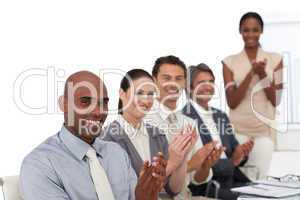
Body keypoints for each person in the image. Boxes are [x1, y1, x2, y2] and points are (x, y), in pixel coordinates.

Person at [20, 71, 166, 200]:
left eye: (104, 103)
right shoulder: (39, 165)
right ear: (63, 104)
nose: (98, 112)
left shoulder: (117, 154)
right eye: (85, 102)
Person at [103, 69, 197, 199]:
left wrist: (183, 155)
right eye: (139, 93)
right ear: (122, 94)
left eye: (151, 94)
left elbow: (172, 189)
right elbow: (126, 194)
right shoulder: (108, 140)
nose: (146, 101)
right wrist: (172, 164)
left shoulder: (157, 134)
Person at [145, 55, 223, 199]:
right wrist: (192, 163)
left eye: (178, 78)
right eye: (166, 78)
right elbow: (148, 178)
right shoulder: (144, 119)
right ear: (154, 80)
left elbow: (197, 179)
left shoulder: (188, 123)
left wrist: (205, 164)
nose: (173, 84)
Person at [222, 12, 283, 179]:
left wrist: (262, 74)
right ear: (240, 31)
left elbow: (276, 100)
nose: (250, 35)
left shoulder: (275, 59)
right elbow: (232, 101)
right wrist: (251, 73)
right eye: (246, 30)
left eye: (255, 30)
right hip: (238, 130)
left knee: (259, 178)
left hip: (264, 130)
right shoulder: (229, 62)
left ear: (261, 31)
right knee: (238, 179)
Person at [183, 63, 254, 200]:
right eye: (201, 82)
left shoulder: (220, 115)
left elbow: (234, 151)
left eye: (211, 81)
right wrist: (232, 161)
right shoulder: (185, 118)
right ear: (189, 88)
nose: (208, 86)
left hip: (234, 180)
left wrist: (242, 152)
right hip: (208, 186)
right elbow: (198, 163)